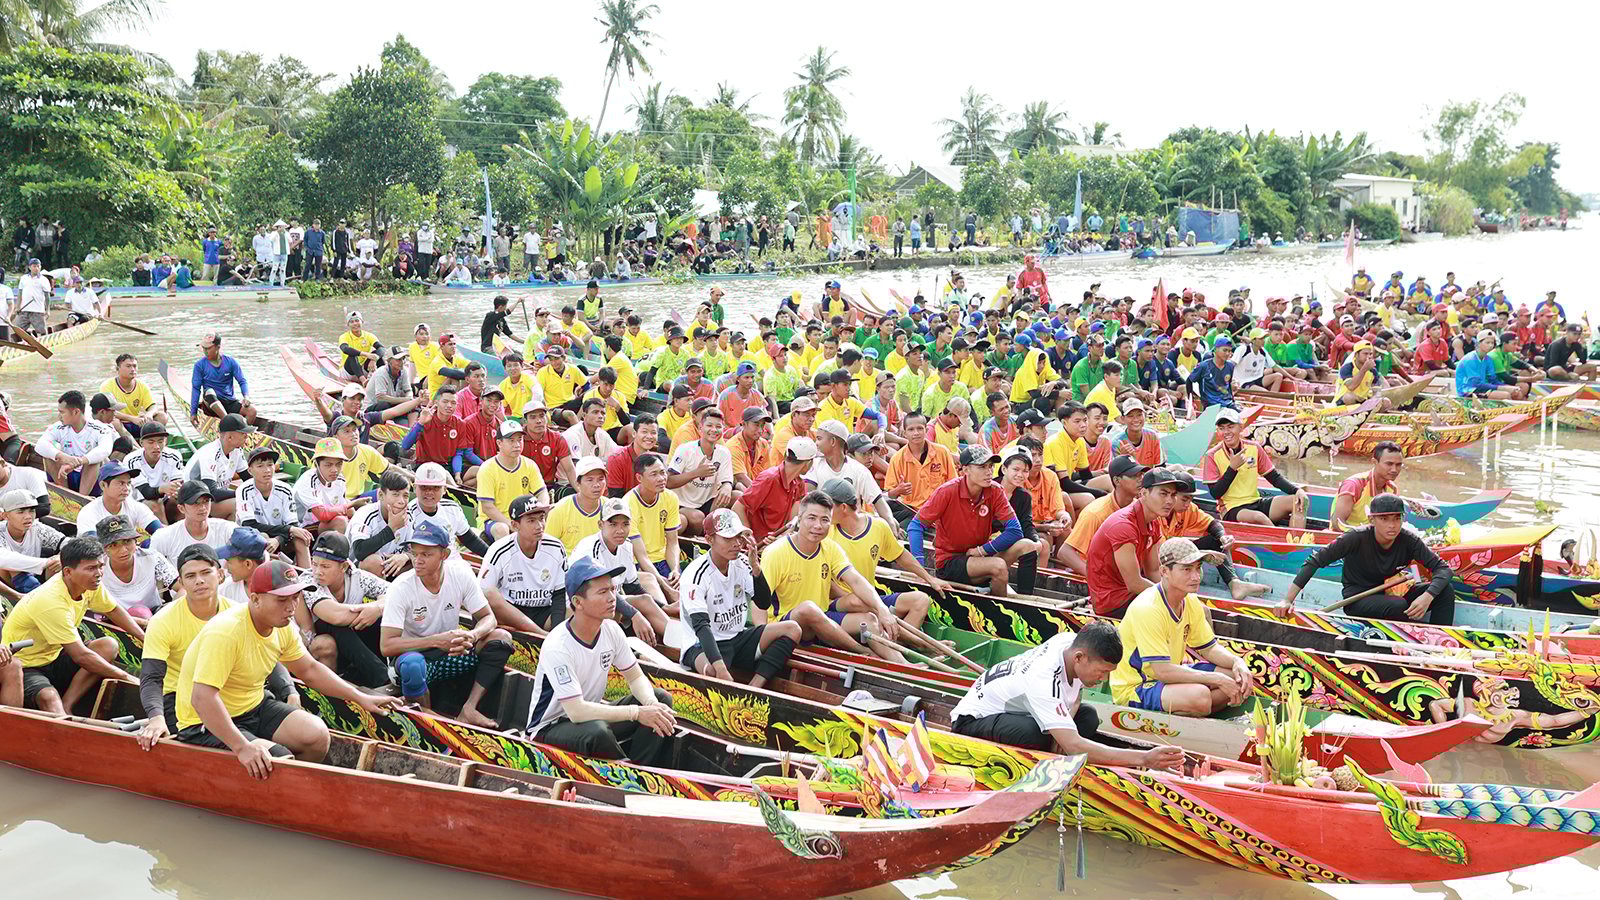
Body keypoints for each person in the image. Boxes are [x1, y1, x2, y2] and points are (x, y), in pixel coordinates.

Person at [172, 558, 399, 776]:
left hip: (252, 706)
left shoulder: (282, 626)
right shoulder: (226, 632)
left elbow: (309, 670)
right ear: (255, 599)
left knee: (317, 735)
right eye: (282, 600)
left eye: (296, 598)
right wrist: (242, 747)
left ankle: (282, 790)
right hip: (203, 722)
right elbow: (202, 699)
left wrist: (360, 697)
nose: (291, 608)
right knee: (277, 761)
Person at [950, 621, 1183, 769]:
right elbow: (1072, 744)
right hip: (972, 720)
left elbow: (1075, 695)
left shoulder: (1069, 643)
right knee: (1036, 734)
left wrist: (1064, 731)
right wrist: (1143, 758)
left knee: (1089, 716)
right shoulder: (1043, 679)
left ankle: (1060, 743)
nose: (1103, 680)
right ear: (1079, 658)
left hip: (1020, 710)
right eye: (1101, 672)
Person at [522, 556, 678, 764]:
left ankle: (644, 768)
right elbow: (576, 711)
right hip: (550, 728)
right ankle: (629, 774)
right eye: (603, 592)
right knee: (598, 732)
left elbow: (635, 677)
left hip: (590, 718)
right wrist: (637, 712)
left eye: (613, 590)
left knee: (660, 699)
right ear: (578, 602)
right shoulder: (558, 645)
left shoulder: (611, 629)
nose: (612, 598)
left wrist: (650, 705)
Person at [379, 521, 513, 728]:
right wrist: (436, 641)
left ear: (444, 555)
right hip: (415, 656)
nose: (418, 560)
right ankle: (431, 722)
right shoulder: (401, 587)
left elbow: (489, 618)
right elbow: (387, 646)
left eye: (426, 554)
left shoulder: (461, 575)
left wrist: (473, 635)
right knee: (413, 666)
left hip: (452, 651)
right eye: (415, 553)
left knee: (501, 638)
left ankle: (469, 708)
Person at [1, 536, 144, 713]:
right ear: (68, 572)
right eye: (91, 568)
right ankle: (62, 714)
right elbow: (81, 656)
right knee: (50, 699)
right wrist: (128, 678)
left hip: (55, 656)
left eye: (100, 566)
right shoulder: (51, 601)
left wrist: (144, 638)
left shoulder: (91, 584)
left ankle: (68, 704)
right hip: (28, 664)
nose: (99, 573)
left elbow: (113, 610)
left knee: (108, 645)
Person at [1110, 538, 1253, 715]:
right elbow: (1161, 671)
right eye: (1186, 569)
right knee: (1200, 696)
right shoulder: (1148, 608)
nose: (1196, 576)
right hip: (1137, 685)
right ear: (1164, 571)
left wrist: (1237, 662)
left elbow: (1209, 648)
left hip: (1169, 676)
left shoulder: (1190, 601)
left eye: (1197, 568)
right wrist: (1216, 679)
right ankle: (1196, 708)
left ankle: (1197, 708)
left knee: (1237, 677)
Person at [755, 491, 903, 660]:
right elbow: (759, 599)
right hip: (787, 623)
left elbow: (855, 580)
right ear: (800, 518)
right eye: (811, 518)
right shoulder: (775, 552)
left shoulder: (829, 547)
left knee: (869, 618)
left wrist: (882, 610)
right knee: (808, 609)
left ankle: (905, 666)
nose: (818, 525)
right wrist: (761, 637)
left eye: (825, 520)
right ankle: (865, 654)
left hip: (822, 618)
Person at [1277, 494, 1457, 624]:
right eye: (1384, 519)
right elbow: (1314, 561)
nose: (1392, 525)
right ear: (1372, 520)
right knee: (1398, 605)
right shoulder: (1356, 537)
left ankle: (1441, 637)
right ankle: (1405, 641)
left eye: (1397, 518)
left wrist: (1427, 596)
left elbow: (1443, 569)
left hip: (1387, 594)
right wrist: (1287, 600)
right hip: (1357, 599)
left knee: (1445, 591)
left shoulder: (1409, 540)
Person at [678, 509, 801, 689]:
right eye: (728, 538)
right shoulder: (696, 575)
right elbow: (701, 627)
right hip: (702, 644)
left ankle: (754, 687)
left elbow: (763, 602)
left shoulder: (742, 563)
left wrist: (756, 569)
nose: (736, 543)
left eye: (738, 537)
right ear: (709, 540)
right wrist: (721, 670)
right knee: (713, 672)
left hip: (737, 637)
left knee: (793, 629)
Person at [909, 446, 1038, 597]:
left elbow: (1015, 531)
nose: (989, 471)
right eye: (982, 467)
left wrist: (982, 550)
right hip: (951, 561)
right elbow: (916, 525)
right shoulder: (947, 491)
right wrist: (920, 567)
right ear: (965, 470)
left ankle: (1026, 600)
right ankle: (999, 612)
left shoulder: (995, 491)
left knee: (1028, 545)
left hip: (979, 556)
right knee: (998, 566)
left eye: (990, 466)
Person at [824, 478, 948, 629]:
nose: (823, 512)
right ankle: (915, 644)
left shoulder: (878, 526)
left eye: (828, 507)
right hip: (840, 602)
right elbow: (826, 581)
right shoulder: (825, 533)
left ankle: (897, 642)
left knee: (921, 600)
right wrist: (856, 600)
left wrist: (930, 579)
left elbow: (900, 555)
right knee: (861, 606)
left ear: (843, 507)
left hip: (870, 599)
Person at [1085, 467, 1183, 615]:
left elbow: (1153, 571)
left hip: (1132, 595)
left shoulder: (1154, 521)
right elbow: (1134, 583)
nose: (1170, 501)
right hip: (1112, 602)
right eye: (1163, 494)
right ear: (1143, 493)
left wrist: (1179, 596)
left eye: (1173, 495)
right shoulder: (1123, 525)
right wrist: (1172, 597)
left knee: (1194, 608)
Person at [297, 532, 390, 688]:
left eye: (325, 566)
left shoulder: (358, 577)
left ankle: (388, 673)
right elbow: (334, 615)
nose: (318, 571)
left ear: (344, 566)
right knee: (334, 624)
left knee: (380, 619)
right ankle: (383, 680)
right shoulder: (308, 580)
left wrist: (377, 608)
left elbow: (395, 594)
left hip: (353, 646)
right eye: (314, 564)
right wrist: (371, 609)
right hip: (317, 647)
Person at [478, 494, 571, 636]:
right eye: (531, 521)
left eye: (541, 519)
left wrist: (556, 630)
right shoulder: (499, 550)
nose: (539, 526)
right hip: (510, 611)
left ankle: (553, 638)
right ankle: (541, 635)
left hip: (544, 611)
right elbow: (482, 594)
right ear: (515, 525)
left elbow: (559, 592)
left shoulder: (556, 547)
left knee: (581, 606)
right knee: (489, 593)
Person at [1200, 407, 1307, 527]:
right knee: (1259, 517)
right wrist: (1232, 469)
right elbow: (1215, 493)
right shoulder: (1212, 455)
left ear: (1241, 427)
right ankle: (1281, 542)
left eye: (1230, 427)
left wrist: (1297, 490)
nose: (1226, 432)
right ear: (1218, 432)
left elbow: (1274, 478)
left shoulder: (1254, 448)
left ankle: (1296, 541)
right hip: (1231, 508)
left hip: (1255, 501)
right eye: (1221, 428)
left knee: (1298, 501)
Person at [476, 420, 549, 542]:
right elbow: (487, 507)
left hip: (523, 517)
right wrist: (512, 525)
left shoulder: (529, 465)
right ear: (499, 443)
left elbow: (542, 492)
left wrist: (542, 511)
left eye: (519, 439)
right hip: (493, 521)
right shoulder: (487, 468)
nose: (517, 444)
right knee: (502, 529)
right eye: (511, 440)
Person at [34, 390, 115, 494]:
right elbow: (40, 445)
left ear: (76, 412)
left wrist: (79, 462)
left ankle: (81, 498)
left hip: (90, 480)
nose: (59, 416)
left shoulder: (100, 428)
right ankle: (65, 494)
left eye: (62, 412)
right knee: (48, 456)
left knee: (95, 461)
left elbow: (105, 449)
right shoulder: (59, 427)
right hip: (65, 475)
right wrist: (64, 457)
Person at [149, 480, 236, 564]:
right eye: (195, 503)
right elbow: (151, 567)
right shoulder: (164, 536)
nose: (202, 507)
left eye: (206, 501)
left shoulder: (227, 529)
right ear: (181, 508)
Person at [0, 488, 64, 593]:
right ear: (5, 516)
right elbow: (4, 559)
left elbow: (68, 543)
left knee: (58, 561)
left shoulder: (38, 528)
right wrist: (46, 562)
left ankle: (49, 595)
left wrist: (59, 558)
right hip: (6, 587)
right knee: (11, 565)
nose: (28, 516)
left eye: (32, 511)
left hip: (35, 579)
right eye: (21, 512)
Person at [189, 333, 255, 423]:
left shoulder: (231, 362)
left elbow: (242, 381)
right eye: (203, 348)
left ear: (217, 347)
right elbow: (196, 389)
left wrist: (246, 397)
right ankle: (228, 421)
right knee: (209, 392)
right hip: (211, 404)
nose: (205, 351)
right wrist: (193, 413)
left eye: (208, 348)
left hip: (228, 401)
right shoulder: (199, 365)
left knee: (252, 411)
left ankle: (240, 431)